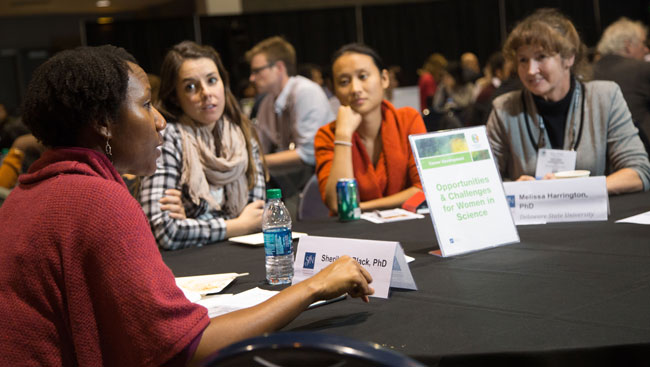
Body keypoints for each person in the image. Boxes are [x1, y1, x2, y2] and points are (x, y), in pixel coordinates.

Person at [0, 45, 373, 367]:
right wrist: (315, 286)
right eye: (146, 105)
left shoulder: (24, 195)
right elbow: (184, 349)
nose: (160, 121)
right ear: (102, 123)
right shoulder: (98, 200)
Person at [486, 9, 650, 195]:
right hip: (533, 221)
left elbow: (639, 172)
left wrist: (575, 189)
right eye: (523, 60)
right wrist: (516, 188)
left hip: (594, 220)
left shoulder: (604, 97)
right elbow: (485, 181)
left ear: (569, 58)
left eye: (541, 57)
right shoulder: (504, 109)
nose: (530, 70)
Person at [139, 41, 266, 250]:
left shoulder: (242, 133)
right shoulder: (168, 138)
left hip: (244, 256)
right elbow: (164, 230)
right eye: (190, 87)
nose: (206, 92)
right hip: (194, 269)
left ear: (223, 84)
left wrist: (190, 220)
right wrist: (236, 225)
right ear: (175, 97)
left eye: (212, 80)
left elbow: (257, 215)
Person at [314, 43, 426, 213]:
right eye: (344, 82)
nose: (355, 89)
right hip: (354, 235)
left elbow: (423, 189)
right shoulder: (328, 135)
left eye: (363, 76)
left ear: (384, 79)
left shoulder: (407, 120)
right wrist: (343, 137)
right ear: (333, 90)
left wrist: (360, 207)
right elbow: (337, 204)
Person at [246, 36, 335, 169]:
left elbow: (310, 154)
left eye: (257, 71)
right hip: (296, 177)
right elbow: (260, 147)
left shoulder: (305, 92)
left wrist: (256, 161)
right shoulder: (267, 102)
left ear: (279, 68)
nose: (252, 78)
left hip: (320, 174)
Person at [593, 17, 650, 152]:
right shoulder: (642, 69)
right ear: (628, 46)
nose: (647, 49)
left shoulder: (589, 72)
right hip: (640, 155)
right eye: (643, 43)